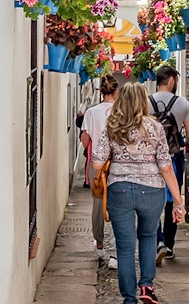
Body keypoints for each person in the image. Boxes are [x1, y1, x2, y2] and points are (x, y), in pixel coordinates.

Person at [93, 83, 184, 304]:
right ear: (143, 100)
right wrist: (179, 201)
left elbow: (96, 163)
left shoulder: (112, 126)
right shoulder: (155, 127)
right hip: (152, 191)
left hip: (120, 190)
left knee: (125, 246)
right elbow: (165, 166)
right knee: (148, 237)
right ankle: (146, 286)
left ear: (121, 100)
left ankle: (129, 299)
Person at [148, 65, 189, 264]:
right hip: (174, 159)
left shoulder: (146, 103)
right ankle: (170, 245)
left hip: (151, 161)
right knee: (173, 200)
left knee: (152, 201)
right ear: (172, 80)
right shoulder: (182, 104)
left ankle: (158, 241)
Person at [79, 75, 119, 261]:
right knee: (120, 204)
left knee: (97, 202)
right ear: (116, 91)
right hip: (118, 162)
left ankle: (100, 242)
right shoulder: (122, 112)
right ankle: (116, 250)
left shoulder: (91, 112)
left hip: (98, 163)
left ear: (101, 91)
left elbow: (85, 140)